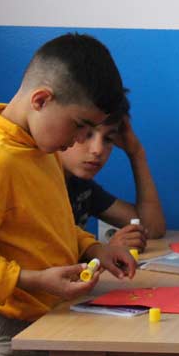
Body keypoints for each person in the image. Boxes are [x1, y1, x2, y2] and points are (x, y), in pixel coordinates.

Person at [0, 33, 137, 356]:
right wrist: (31, 280)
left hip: (48, 322)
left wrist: (96, 250)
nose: (80, 140)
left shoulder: (41, 147)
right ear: (40, 100)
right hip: (5, 340)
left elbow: (53, 227)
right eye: (79, 126)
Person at [60, 103, 166, 252]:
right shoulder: (34, 181)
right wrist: (104, 251)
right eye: (87, 134)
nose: (98, 150)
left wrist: (136, 153)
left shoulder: (81, 185)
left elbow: (151, 228)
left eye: (108, 139)